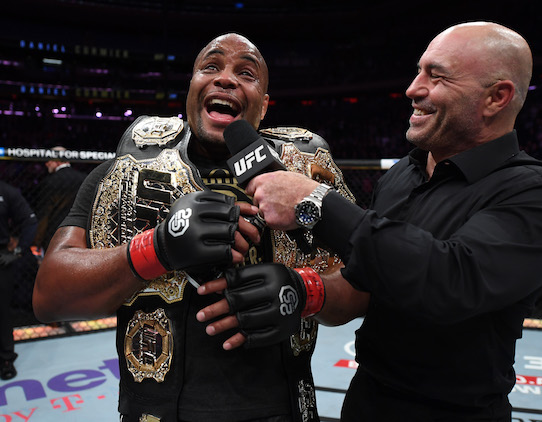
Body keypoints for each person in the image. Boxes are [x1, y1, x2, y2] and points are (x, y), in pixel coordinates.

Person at [196, 22, 542, 421]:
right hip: (367, 400)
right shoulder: (403, 175)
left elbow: (451, 279)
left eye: (437, 76)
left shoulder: (541, 194)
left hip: (456, 413)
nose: (413, 89)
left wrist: (315, 202)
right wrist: (303, 291)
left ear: (496, 98)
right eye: (419, 71)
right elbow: (368, 282)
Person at [33, 33, 352, 422]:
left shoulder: (305, 173)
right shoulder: (129, 170)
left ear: (264, 106)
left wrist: (307, 291)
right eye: (211, 66)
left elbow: (366, 278)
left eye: (246, 73)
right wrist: (158, 248)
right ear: (192, 90)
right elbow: (49, 295)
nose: (226, 79)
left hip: (281, 409)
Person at [0, 181, 37, 380]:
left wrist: (18, 251)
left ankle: (6, 359)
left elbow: (30, 221)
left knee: (2, 313)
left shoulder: (7, 192)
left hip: (1, 259)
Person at [33, 146, 87, 253]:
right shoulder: (85, 179)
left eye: (49, 160)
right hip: (81, 233)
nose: (46, 163)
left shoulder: (50, 182)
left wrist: (36, 241)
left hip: (54, 234)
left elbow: (44, 213)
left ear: (57, 160)